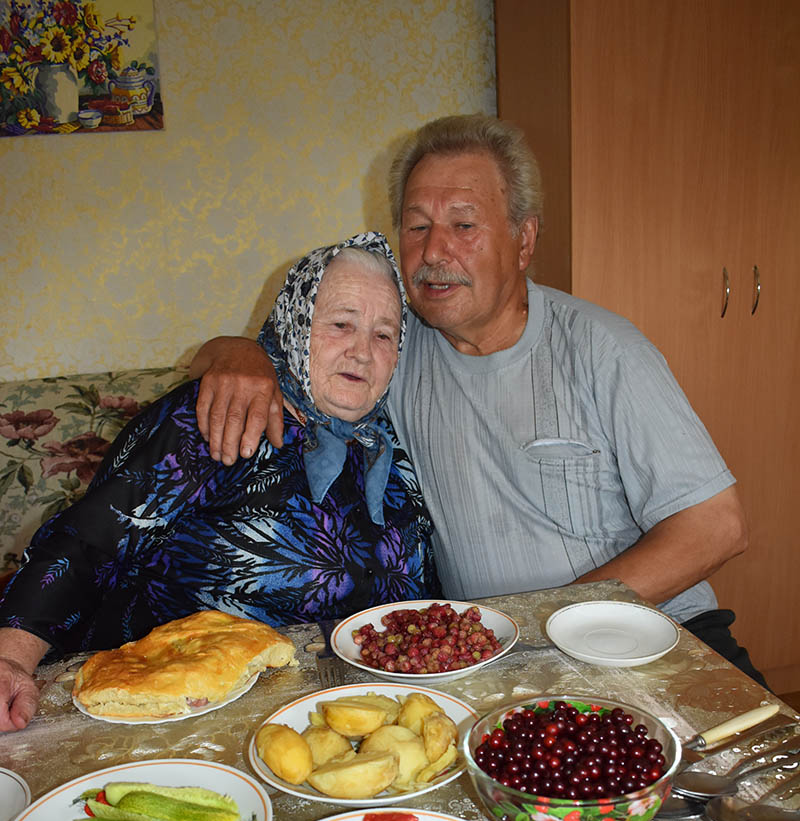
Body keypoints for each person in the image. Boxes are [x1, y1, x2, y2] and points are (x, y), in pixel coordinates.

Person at [190, 113, 765, 685]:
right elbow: (275, 355)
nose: (435, 250)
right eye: (416, 228)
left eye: (464, 225)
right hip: (496, 664)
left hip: (650, 636)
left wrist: (539, 622)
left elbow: (716, 526)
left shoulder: (603, 350)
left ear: (524, 239)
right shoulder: (391, 350)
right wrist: (237, 352)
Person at [0, 232, 438, 731]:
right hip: (188, 714)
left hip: (359, 715)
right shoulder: (224, 411)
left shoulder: (393, 444)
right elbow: (90, 543)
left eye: (384, 335)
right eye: (341, 324)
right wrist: (12, 659)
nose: (363, 352)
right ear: (296, 325)